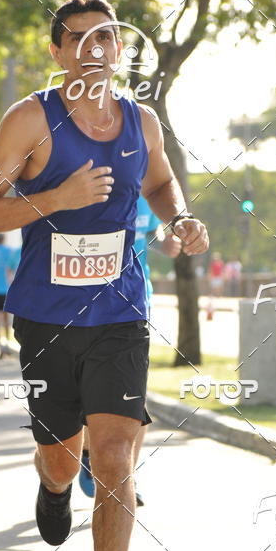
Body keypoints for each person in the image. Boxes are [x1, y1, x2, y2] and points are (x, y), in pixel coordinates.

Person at [0, 0, 209, 551]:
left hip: (122, 314)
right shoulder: (29, 121)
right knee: (63, 453)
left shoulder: (143, 122)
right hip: (47, 317)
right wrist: (57, 198)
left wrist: (179, 219)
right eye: (81, 38)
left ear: (120, 49)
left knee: (113, 461)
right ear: (57, 50)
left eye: (108, 38)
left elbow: (162, 185)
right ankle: (50, 484)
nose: (96, 51)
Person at [79, 195, 181, 505]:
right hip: (87, 300)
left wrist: (167, 242)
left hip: (135, 302)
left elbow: (156, 232)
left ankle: (126, 479)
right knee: (87, 389)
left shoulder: (147, 195)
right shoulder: (98, 189)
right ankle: (86, 450)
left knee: (136, 397)